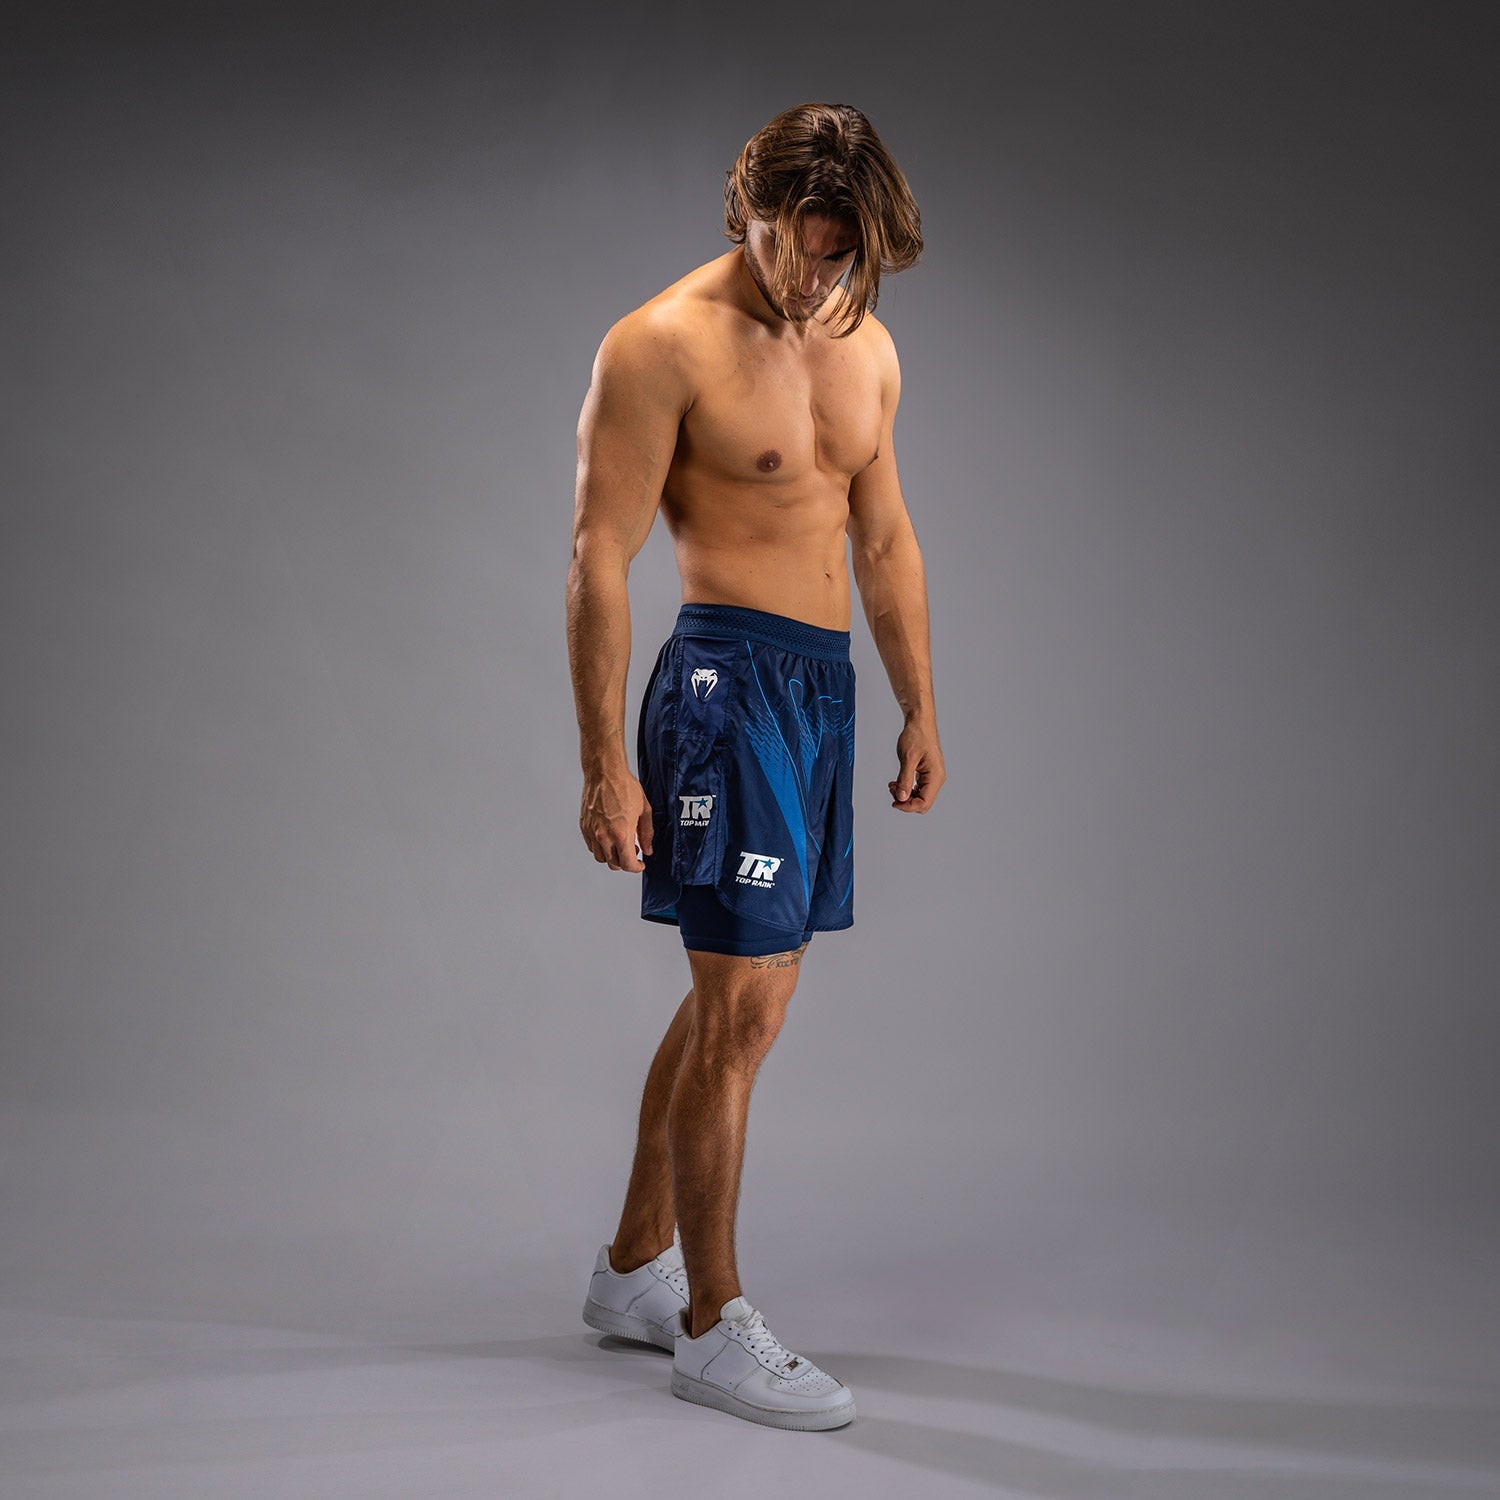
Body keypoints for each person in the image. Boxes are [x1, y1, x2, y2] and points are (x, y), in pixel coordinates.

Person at [566, 102, 945, 1431]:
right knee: (740, 1010)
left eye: (842, 256)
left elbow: (883, 539)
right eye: (800, 244)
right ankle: (713, 1324)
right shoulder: (661, 343)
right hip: (724, 688)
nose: (815, 276)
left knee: (749, 996)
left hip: (823, 691)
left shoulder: (867, 347)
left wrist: (918, 705)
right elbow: (597, 555)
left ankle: (633, 1267)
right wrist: (603, 764)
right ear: (751, 209)